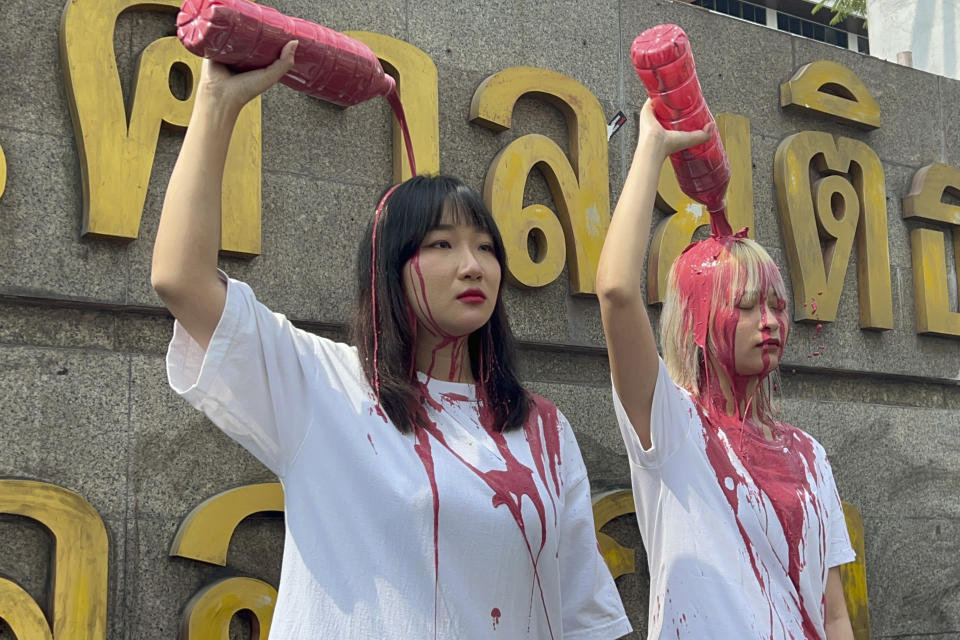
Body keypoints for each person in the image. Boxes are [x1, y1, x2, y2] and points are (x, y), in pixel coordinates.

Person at [152, 41, 632, 640]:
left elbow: (586, 617)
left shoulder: (542, 430)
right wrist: (217, 103)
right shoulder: (324, 388)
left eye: (486, 247)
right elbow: (180, 278)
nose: (473, 265)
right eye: (441, 245)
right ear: (389, 266)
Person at [595, 99, 855, 639]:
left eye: (778, 305)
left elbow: (833, 614)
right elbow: (617, 291)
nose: (770, 322)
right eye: (744, 305)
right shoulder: (670, 427)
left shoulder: (810, 456)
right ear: (694, 319)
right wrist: (651, 146)